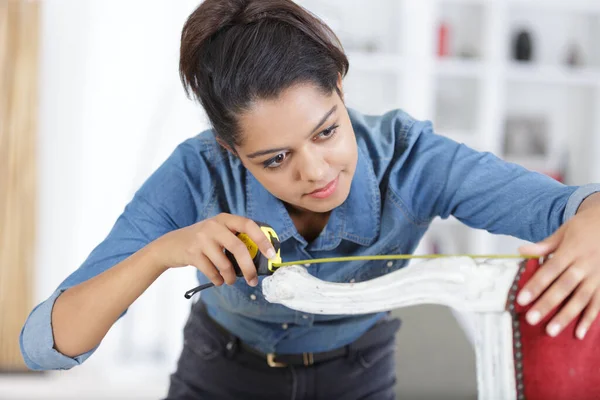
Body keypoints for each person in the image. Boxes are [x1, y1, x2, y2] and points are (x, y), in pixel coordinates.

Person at [19, 0, 600, 399]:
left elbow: (574, 204)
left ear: (341, 89)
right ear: (230, 148)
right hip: (219, 372)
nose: (317, 172)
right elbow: (47, 345)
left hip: (359, 374)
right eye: (274, 159)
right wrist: (161, 252)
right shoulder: (196, 171)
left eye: (327, 131)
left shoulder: (413, 157)